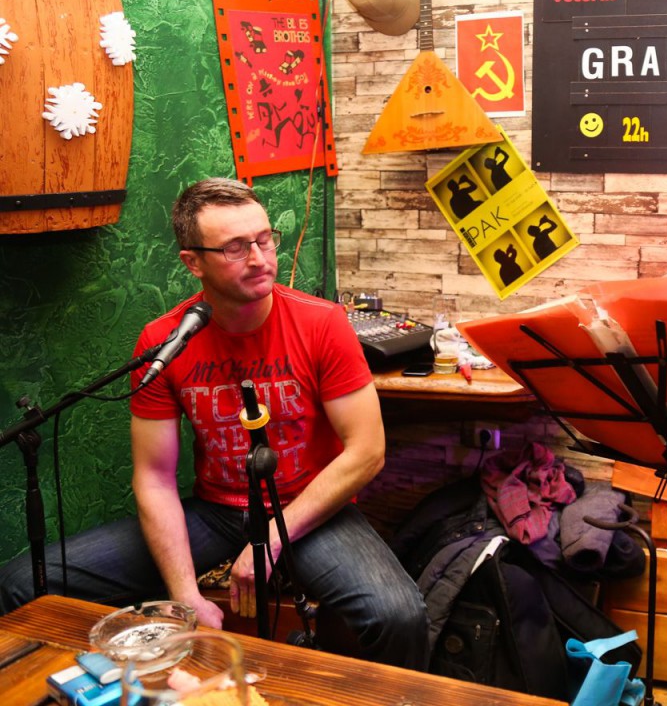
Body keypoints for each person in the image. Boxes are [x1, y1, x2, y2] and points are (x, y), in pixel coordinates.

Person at [0, 178, 428, 669]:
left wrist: (270, 541)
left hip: (304, 507)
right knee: (21, 583)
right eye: (235, 247)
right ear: (193, 262)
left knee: (399, 615)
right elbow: (155, 478)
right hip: (216, 511)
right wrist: (186, 598)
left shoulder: (322, 323)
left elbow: (367, 452)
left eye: (265, 239)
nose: (259, 258)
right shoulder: (165, 341)